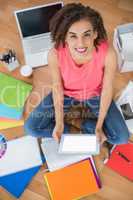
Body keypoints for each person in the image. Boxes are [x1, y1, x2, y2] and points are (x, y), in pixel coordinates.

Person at [24, 3, 130, 146]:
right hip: (66, 94)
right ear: (65, 37)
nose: (81, 44)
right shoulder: (54, 54)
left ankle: (86, 125)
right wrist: (60, 123)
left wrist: (98, 127)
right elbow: (57, 86)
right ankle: (68, 129)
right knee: (31, 128)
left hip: (96, 95)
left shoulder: (108, 53)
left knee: (122, 138)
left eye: (86, 34)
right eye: (73, 36)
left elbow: (107, 89)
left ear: (95, 34)